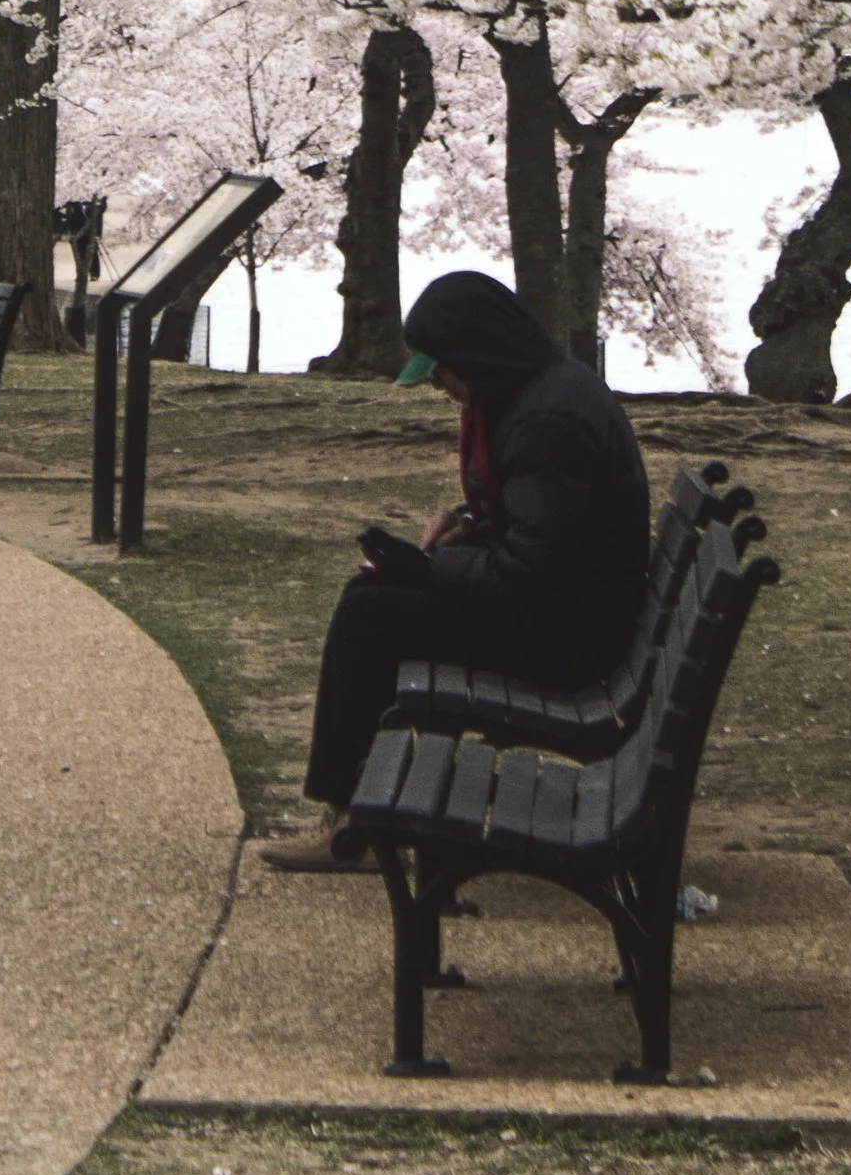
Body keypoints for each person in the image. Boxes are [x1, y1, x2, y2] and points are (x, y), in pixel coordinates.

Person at [261, 267, 651, 871]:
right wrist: (460, 540)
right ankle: (355, 810)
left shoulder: (547, 424)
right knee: (374, 595)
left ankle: (346, 823)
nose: (439, 384)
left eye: (442, 369)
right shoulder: (539, 395)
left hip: (572, 645)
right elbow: (543, 540)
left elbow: (529, 572)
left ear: (478, 352)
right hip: (570, 616)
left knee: (369, 613)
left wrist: (430, 569)